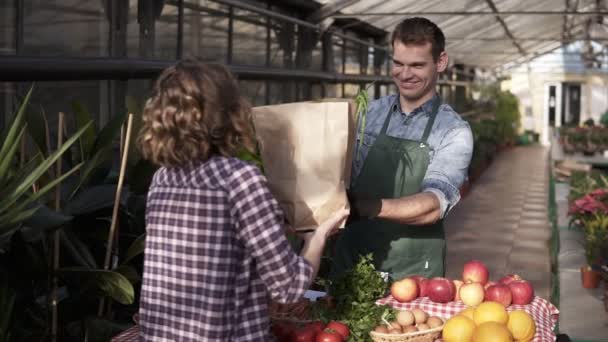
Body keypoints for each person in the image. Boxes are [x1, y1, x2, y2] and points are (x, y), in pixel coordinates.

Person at [137, 60, 348, 341]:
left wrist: (274, 227)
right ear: (229, 112)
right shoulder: (238, 179)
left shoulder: (163, 179)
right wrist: (317, 238)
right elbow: (289, 287)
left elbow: (212, 251)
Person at [331, 17, 474, 281]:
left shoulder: (453, 131)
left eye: (417, 65)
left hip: (412, 272)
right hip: (352, 259)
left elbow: (434, 204)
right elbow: (338, 173)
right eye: (398, 63)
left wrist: (369, 207)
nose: (405, 74)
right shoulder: (368, 113)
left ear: (440, 62)